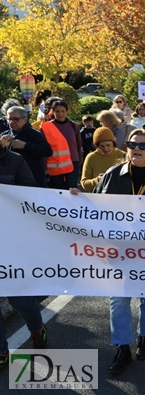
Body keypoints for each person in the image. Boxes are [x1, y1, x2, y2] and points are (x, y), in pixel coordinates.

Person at [71, 129, 145, 375]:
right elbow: (95, 208)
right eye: (133, 144)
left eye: (144, 145)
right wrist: (77, 199)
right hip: (117, 250)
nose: (137, 149)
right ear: (127, 147)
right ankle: (122, 346)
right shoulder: (111, 175)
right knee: (118, 300)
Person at [0, 142, 50, 371]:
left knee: (20, 300)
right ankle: (1, 351)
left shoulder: (14, 160)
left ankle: (37, 329)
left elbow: (30, 194)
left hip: (12, 241)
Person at [1, 106, 52, 187]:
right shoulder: (4, 135)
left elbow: (47, 151)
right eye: (9, 119)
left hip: (33, 178)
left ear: (25, 119)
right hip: (10, 180)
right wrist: (1, 146)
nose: (11, 122)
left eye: (15, 119)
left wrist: (25, 146)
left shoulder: (35, 134)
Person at [44, 99, 81, 189]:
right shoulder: (47, 127)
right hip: (55, 164)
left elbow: (79, 144)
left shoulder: (73, 126)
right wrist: (45, 167)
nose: (60, 114)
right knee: (58, 190)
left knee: (72, 189)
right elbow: (44, 148)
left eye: (63, 111)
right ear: (53, 112)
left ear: (67, 111)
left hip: (72, 162)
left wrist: (80, 160)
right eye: (57, 111)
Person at [80, 127, 126, 192]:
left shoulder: (123, 155)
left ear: (113, 143)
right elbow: (84, 183)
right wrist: (98, 180)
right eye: (102, 146)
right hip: (98, 198)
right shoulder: (91, 157)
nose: (106, 149)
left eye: (108, 145)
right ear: (96, 146)